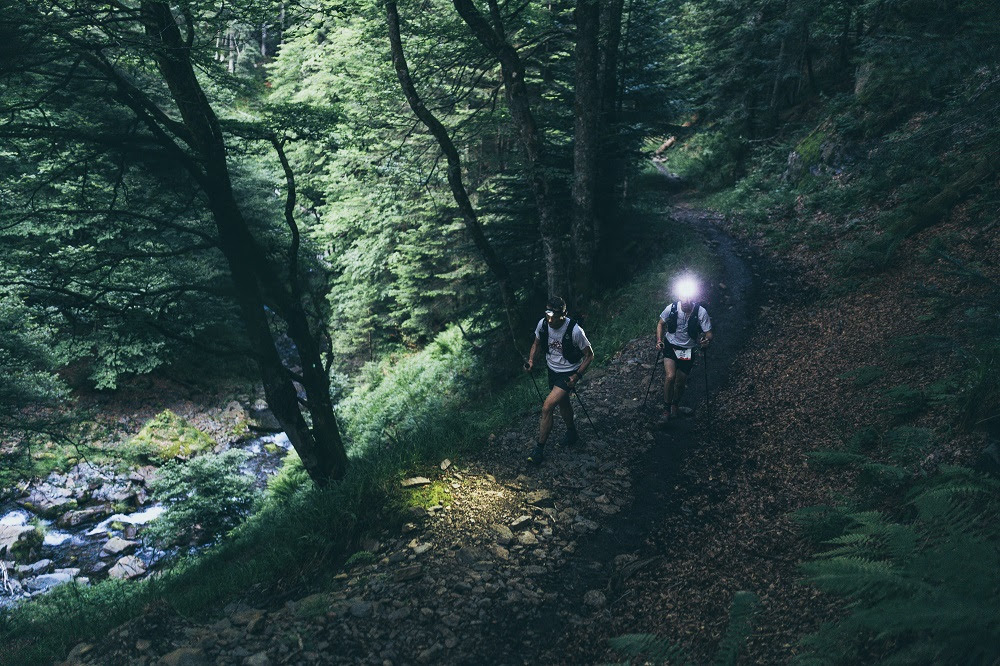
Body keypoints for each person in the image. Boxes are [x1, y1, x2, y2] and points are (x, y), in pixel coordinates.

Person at [525, 297, 594, 464]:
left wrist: (577, 376)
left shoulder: (575, 331)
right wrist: (532, 360)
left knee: (547, 407)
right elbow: (536, 343)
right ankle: (572, 433)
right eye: (548, 315)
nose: (550, 320)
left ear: (564, 315)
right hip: (552, 370)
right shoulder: (543, 324)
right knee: (564, 404)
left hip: (568, 372)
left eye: (555, 317)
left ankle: (539, 450)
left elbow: (590, 355)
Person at [656, 294, 712, 422]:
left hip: (687, 350)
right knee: (670, 377)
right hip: (671, 346)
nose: (685, 301)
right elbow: (660, 323)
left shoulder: (700, 312)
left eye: (688, 298)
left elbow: (708, 332)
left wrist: (706, 340)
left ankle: (675, 404)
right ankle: (666, 408)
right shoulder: (672, 308)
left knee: (680, 382)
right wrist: (659, 340)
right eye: (683, 297)